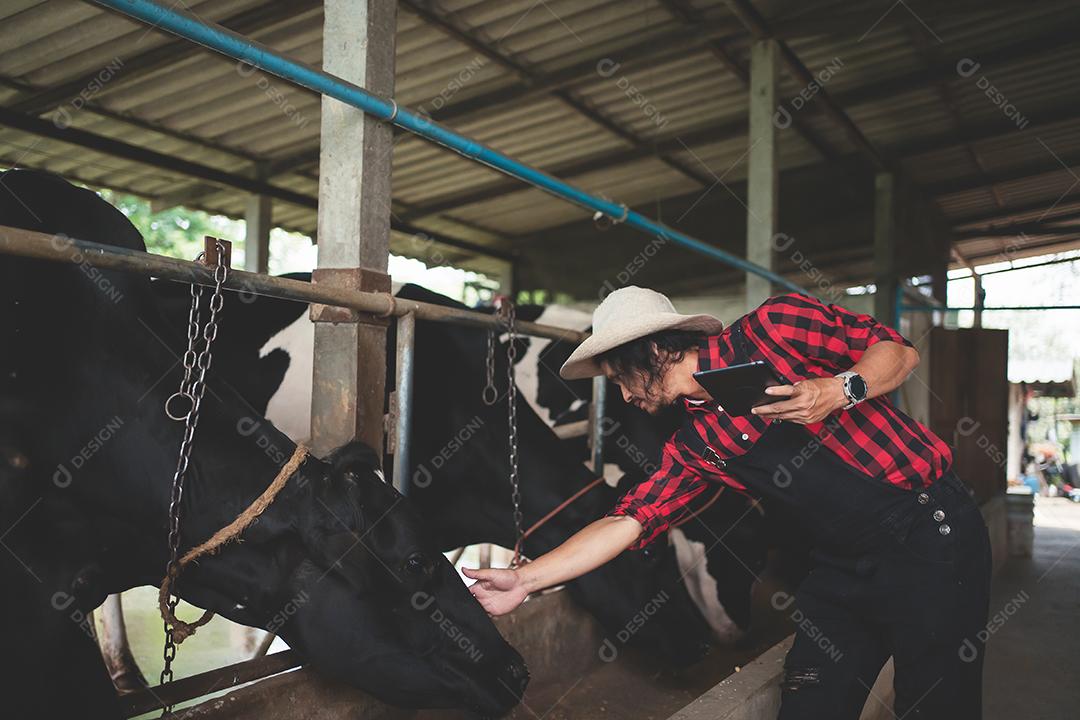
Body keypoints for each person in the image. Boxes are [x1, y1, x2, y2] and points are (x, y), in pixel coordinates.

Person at [464, 286, 991, 720]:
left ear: (650, 352)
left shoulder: (774, 326)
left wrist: (838, 389)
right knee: (810, 705)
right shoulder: (696, 443)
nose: (624, 396)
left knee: (937, 704)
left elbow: (899, 351)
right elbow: (627, 520)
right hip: (840, 564)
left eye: (620, 378)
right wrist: (528, 580)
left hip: (928, 536)